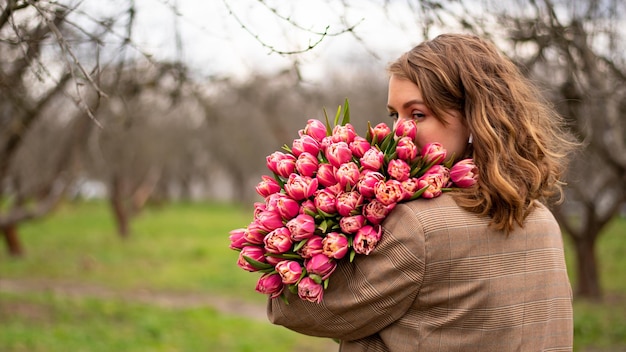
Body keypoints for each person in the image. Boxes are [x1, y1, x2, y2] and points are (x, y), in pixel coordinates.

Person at [267, 33, 576, 351]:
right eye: (394, 115)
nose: (399, 130)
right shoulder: (541, 219)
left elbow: (304, 310)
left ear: (474, 117)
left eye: (417, 114)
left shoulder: (418, 226)